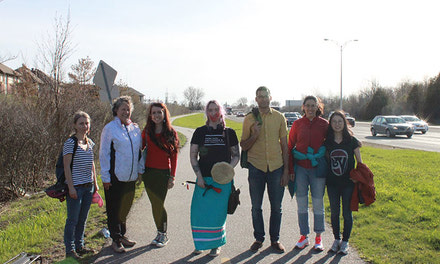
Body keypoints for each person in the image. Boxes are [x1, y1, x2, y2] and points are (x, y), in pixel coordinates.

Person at [240, 86, 291, 253]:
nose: (262, 99)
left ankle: (275, 240)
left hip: (276, 168)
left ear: (270, 98)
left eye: (265, 96)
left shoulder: (279, 117)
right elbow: (244, 146)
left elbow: (285, 145)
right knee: (256, 206)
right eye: (259, 96)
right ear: (256, 99)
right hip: (256, 168)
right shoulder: (249, 119)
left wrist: (285, 171)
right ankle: (258, 238)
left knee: (277, 207)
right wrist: (254, 134)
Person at [189, 100, 240, 257]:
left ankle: (216, 245)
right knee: (199, 213)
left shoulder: (229, 133)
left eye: (215, 109)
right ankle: (200, 244)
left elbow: (236, 155)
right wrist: (199, 177)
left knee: (217, 215)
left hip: (222, 181)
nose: (212, 113)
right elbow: (193, 155)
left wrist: (226, 171)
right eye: (209, 110)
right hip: (203, 180)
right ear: (206, 112)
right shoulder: (200, 132)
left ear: (221, 111)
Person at [99, 96, 143, 253]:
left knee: (125, 208)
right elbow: (104, 154)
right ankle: (115, 239)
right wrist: (105, 177)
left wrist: (139, 171)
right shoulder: (110, 129)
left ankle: (122, 235)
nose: (126, 111)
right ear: (116, 110)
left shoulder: (135, 129)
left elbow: (139, 152)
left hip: (130, 177)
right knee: (114, 208)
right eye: (123, 109)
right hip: (114, 177)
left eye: (128, 109)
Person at [288, 95, 328, 251]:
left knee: (318, 204)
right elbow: (290, 146)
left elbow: (333, 140)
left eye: (314, 106)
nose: (311, 108)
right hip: (301, 169)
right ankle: (304, 236)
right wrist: (291, 169)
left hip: (318, 169)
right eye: (308, 105)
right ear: (303, 107)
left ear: (318, 107)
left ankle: (319, 237)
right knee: (302, 205)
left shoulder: (324, 124)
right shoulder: (297, 124)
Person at [140, 103, 179, 247]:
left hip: (163, 174)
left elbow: (174, 157)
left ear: (164, 114)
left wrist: (172, 176)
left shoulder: (170, 132)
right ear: (150, 116)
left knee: (158, 203)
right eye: (153, 113)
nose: (156, 115)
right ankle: (159, 232)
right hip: (149, 173)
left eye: (159, 112)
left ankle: (163, 234)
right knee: (154, 204)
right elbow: (139, 148)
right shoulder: (147, 131)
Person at [325, 111, 362, 255]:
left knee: (347, 213)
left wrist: (357, 177)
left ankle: (345, 242)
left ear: (344, 123)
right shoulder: (327, 142)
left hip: (348, 184)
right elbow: (326, 161)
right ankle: (336, 240)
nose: (337, 124)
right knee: (334, 213)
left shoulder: (352, 141)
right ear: (330, 124)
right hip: (333, 183)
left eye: (340, 121)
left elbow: (360, 163)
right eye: (334, 121)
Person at [63, 111, 98, 259]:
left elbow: (92, 164)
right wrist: (71, 187)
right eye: (81, 123)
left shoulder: (89, 142)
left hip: (88, 187)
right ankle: (70, 251)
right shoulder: (70, 143)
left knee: (83, 219)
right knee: (73, 220)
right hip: (75, 188)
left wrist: (95, 184)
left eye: (86, 123)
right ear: (75, 125)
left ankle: (80, 246)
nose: (84, 126)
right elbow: (66, 167)